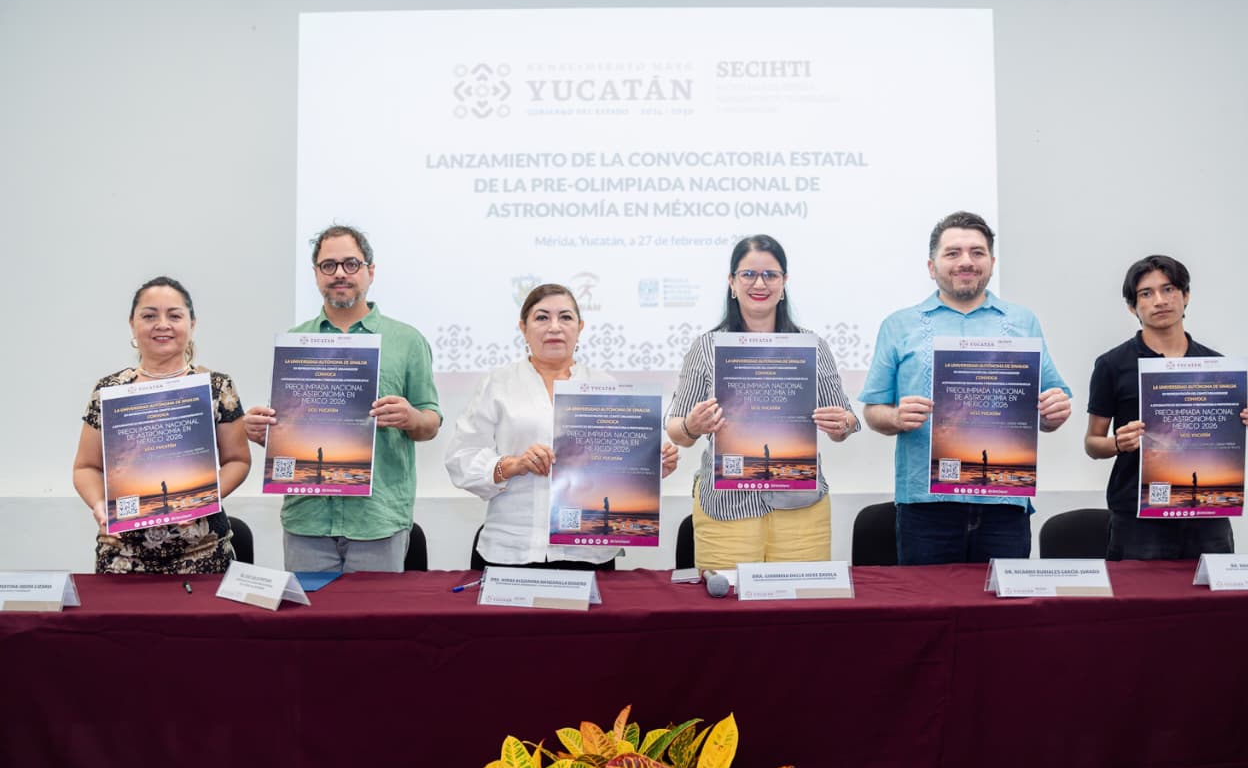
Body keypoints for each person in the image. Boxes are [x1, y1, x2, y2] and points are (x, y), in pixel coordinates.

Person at [860, 211, 1072, 565]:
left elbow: (1049, 408)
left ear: (991, 262)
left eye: (977, 252)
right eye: (953, 253)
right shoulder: (899, 325)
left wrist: (1054, 411)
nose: (966, 262)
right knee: (929, 611)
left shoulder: (1022, 322)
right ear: (932, 266)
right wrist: (896, 416)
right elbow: (872, 411)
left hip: (1004, 502)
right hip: (926, 505)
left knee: (1006, 614)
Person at [245, 225, 441, 572]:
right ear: (316, 274)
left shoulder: (407, 340)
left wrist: (412, 417)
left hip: (377, 520)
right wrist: (266, 432)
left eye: (351, 264)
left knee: (373, 626)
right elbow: (291, 429)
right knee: (308, 626)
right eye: (328, 265)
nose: (339, 273)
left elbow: (430, 423)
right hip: (307, 520)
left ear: (371, 271)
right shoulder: (296, 341)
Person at [445, 284, 679, 569]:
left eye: (565, 318)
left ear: (580, 327)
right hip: (511, 547)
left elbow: (618, 466)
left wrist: (652, 470)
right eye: (542, 318)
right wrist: (512, 464)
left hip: (587, 551)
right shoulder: (498, 384)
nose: (554, 327)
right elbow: (461, 458)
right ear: (523, 327)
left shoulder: (605, 385)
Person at [666, 235, 860, 569]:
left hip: (802, 509)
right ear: (732, 282)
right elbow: (677, 430)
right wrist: (690, 426)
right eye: (748, 274)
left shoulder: (810, 345)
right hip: (727, 508)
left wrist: (843, 424)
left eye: (770, 275)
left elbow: (847, 422)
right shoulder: (706, 347)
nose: (760, 283)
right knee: (727, 614)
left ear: (784, 282)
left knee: (799, 612)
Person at [1085, 255, 1248, 559]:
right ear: (1132, 306)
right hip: (1137, 515)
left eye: (1169, 290)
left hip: (1206, 510)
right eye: (1146, 293)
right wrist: (1117, 443)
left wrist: (1239, 420)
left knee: (1214, 603)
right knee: (1140, 603)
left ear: (1186, 295)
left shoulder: (1217, 365)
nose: (1160, 300)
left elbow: (1219, 438)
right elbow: (1092, 443)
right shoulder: (1112, 364)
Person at [72, 276, 251, 574]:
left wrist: (202, 500)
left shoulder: (217, 387)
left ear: (192, 323)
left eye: (175, 315)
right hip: (123, 556)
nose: (162, 324)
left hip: (204, 552)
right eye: (149, 315)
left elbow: (238, 460)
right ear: (132, 323)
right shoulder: (109, 392)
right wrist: (99, 504)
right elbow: (85, 467)